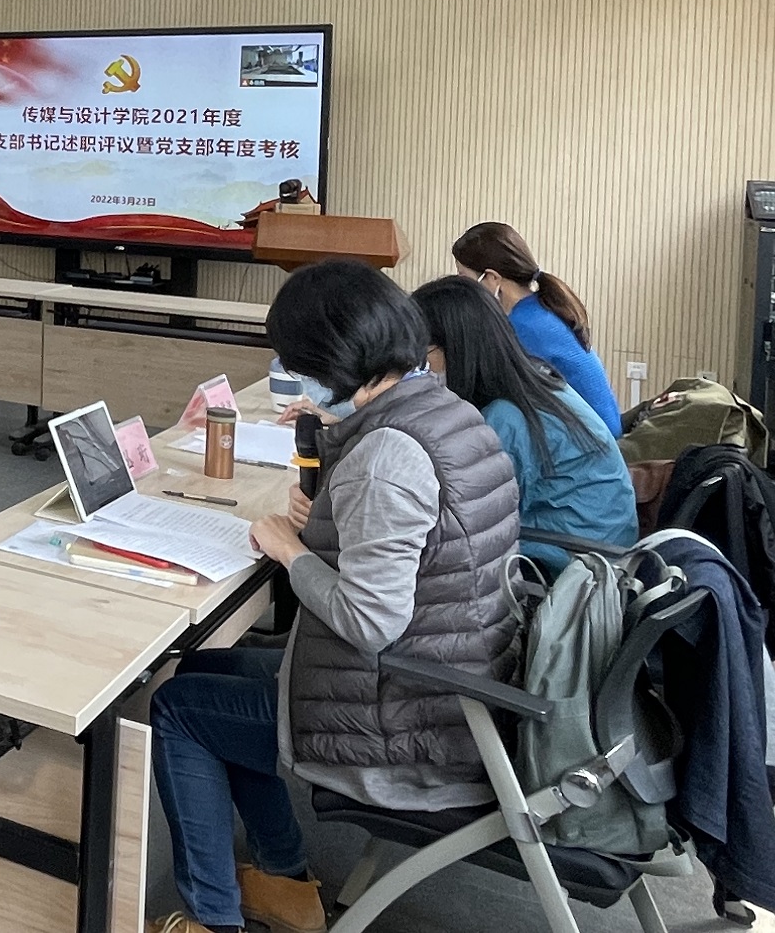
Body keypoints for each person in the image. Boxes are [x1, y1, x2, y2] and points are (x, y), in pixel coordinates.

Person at [147, 260, 519, 933]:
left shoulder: (387, 458)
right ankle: (284, 881)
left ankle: (212, 919)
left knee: (179, 707)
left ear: (335, 361)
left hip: (406, 725)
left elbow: (370, 621)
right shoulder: (448, 410)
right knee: (204, 667)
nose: (296, 378)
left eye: (299, 364)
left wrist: (289, 550)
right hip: (454, 684)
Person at [414, 276, 637, 569]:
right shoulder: (537, 383)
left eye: (422, 354)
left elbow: (469, 521)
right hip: (602, 550)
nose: (419, 368)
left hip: (572, 568)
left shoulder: (505, 418)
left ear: (456, 349)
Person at [452, 221, 621, 434]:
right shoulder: (540, 309)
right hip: (602, 433)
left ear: (492, 278)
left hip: (591, 441)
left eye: (463, 277)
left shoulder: (523, 326)